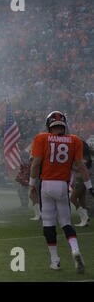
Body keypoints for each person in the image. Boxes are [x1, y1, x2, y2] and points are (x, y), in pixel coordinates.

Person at [29, 111, 94, 273]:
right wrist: (90, 187)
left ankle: (55, 260)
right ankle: (75, 250)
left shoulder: (41, 138)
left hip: (46, 185)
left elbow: (36, 164)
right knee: (66, 222)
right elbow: (81, 167)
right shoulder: (74, 140)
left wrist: (31, 184)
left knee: (49, 223)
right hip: (62, 185)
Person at [70, 140, 92, 227]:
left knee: (73, 198)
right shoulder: (85, 156)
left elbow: (80, 168)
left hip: (81, 180)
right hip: (80, 179)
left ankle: (84, 217)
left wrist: (71, 166)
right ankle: (84, 220)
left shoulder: (83, 157)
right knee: (81, 199)